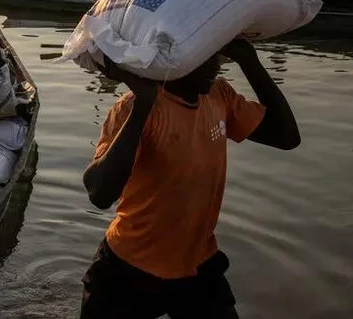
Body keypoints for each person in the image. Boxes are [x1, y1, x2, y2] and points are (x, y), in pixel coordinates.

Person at [80, 39, 300, 318]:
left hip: (197, 264)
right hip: (130, 266)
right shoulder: (133, 108)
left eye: (214, 56)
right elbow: (99, 193)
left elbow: (287, 137)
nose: (215, 67)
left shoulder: (219, 96)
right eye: (203, 58)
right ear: (174, 59)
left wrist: (250, 61)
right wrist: (144, 105)